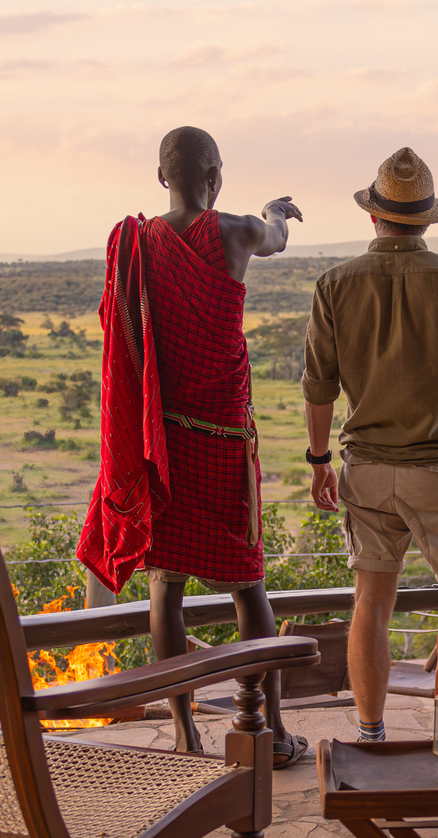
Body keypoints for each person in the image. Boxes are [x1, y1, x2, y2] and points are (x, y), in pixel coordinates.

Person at [78, 126, 302, 756]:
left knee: (165, 588)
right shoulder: (234, 230)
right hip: (224, 438)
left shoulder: (138, 242)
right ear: (216, 177)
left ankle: (184, 734)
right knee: (245, 583)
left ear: (160, 177)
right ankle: (271, 731)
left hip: (163, 441)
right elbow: (279, 239)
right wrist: (277, 211)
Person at [303, 148, 438, 741]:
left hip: (364, 468)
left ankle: (370, 731)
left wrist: (319, 462)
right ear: (426, 220)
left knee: (371, 601)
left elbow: (319, 387)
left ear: (373, 216)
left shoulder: (334, 283)